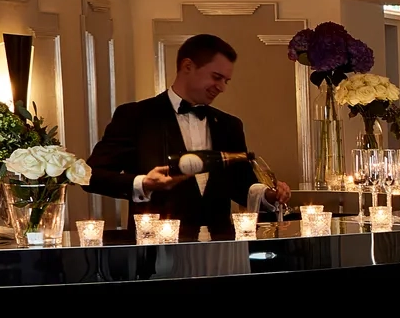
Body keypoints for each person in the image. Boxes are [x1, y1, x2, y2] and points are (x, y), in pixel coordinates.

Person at [88, 34, 290, 233]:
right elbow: (91, 176)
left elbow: (241, 185)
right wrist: (144, 184)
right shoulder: (135, 116)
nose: (221, 87)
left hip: (219, 248)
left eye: (226, 81)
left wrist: (268, 195)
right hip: (156, 249)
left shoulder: (230, 125)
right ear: (187, 66)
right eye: (216, 77)